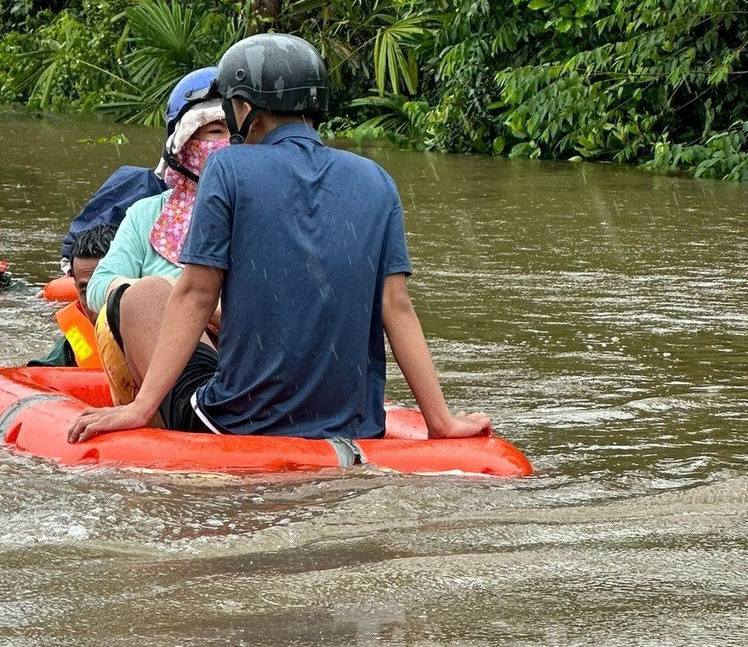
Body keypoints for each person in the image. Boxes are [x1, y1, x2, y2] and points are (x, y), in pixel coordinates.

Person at [67, 33, 491, 444]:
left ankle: (158, 425)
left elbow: (196, 295)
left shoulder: (228, 169)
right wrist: (442, 422)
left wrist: (139, 408)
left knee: (143, 296)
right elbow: (396, 308)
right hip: (357, 424)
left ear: (245, 108)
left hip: (240, 422)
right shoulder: (377, 180)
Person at [84, 67, 229, 401]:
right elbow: (99, 285)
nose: (225, 145)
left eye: (231, 134)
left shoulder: (260, 212)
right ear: (184, 142)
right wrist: (173, 296)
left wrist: (207, 308)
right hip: (161, 353)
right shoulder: (146, 214)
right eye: (214, 131)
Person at [28, 224, 116, 368]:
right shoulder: (73, 343)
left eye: (107, 287)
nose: (97, 302)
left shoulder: (162, 328)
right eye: (86, 291)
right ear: (76, 289)